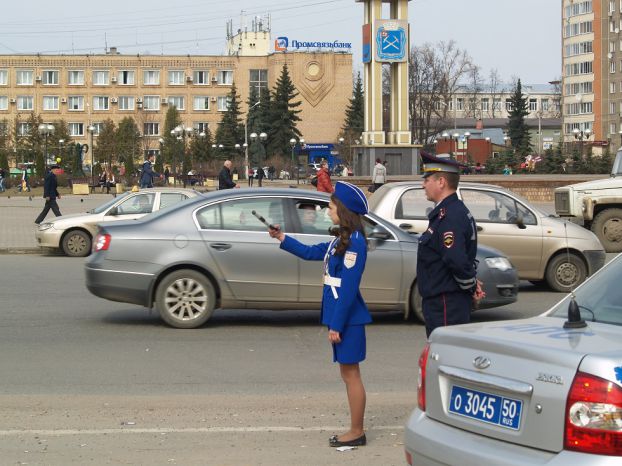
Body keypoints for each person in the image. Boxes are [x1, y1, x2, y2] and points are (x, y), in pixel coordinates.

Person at [268, 181, 371, 448]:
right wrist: (282, 238)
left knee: (351, 375)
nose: (328, 211)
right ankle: (355, 428)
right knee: (348, 374)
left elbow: (348, 289)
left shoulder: (356, 244)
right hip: (341, 316)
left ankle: (357, 431)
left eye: (332, 206)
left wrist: (337, 325)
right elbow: (312, 252)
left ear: (344, 210)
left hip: (348, 318)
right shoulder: (342, 239)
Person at [417, 152, 485, 338]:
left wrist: (470, 285)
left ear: (441, 182)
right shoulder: (448, 212)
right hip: (443, 299)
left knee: (446, 358)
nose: (423, 184)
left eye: (427, 179)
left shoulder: (450, 216)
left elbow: (455, 258)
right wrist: (471, 283)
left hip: (446, 302)